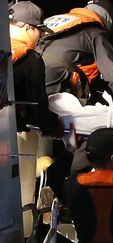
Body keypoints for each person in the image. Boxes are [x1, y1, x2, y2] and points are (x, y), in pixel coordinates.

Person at [8, 1, 63, 237]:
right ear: (29, 28)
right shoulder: (30, 60)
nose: (40, 36)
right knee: (18, 202)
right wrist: (55, 125)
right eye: (39, 30)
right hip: (12, 140)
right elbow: (37, 112)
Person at [37, 0, 113, 105]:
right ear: (109, 20)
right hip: (52, 92)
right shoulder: (96, 32)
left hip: (26, 82)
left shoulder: (57, 21)